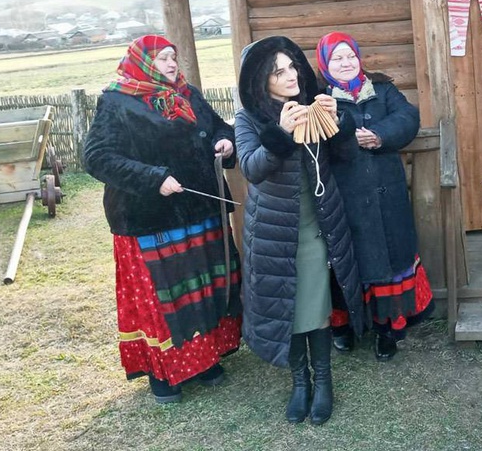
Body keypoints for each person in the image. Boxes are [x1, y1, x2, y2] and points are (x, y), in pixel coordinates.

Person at [84, 34, 241, 405]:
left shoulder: (188, 95)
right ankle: (162, 372)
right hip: (150, 218)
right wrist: (153, 179)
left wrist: (225, 141)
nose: (172, 64)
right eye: (162, 58)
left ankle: (203, 360)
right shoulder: (116, 102)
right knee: (163, 299)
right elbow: (97, 157)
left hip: (200, 210)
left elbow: (219, 126)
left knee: (202, 288)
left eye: (173, 56)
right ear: (143, 62)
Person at [235, 35, 365, 425]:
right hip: (275, 229)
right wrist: (281, 134)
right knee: (286, 307)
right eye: (279, 72)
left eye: (291, 66)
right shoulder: (250, 118)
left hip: (318, 222)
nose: (290, 75)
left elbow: (346, 156)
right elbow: (251, 168)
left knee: (316, 305)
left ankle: (323, 383)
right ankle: (300, 384)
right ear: (263, 80)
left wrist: (339, 123)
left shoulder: (315, 104)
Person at [315, 32, 435, 361]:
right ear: (325, 63)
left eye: (350, 56)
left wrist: (379, 135)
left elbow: (408, 117)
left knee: (390, 257)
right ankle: (343, 327)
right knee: (343, 259)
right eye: (337, 58)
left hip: (386, 194)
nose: (345, 63)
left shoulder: (381, 89)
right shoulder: (320, 97)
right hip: (344, 196)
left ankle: (387, 329)